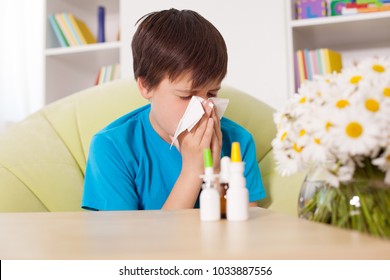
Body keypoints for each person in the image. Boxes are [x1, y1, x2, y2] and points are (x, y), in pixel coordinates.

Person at [82, 8, 266, 211]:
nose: (204, 108)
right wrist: (193, 170)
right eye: (186, 96)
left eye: (212, 94)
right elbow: (128, 241)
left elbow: (245, 231)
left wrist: (214, 171)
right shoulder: (112, 147)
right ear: (145, 86)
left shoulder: (238, 141)